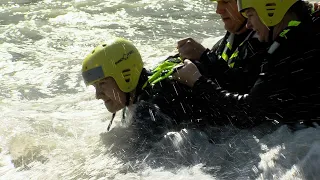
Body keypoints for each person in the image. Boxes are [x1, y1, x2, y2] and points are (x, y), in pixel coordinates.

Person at [173, 0, 320, 129]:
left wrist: (198, 82)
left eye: (250, 15)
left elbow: (247, 112)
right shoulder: (305, 31)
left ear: (271, 11)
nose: (248, 25)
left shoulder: (291, 48)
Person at [81, 38, 214, 138]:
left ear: (124, 76)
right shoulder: (143, 90)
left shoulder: (149, 111)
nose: (98, 95)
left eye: (102, 84)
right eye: (95, 86)